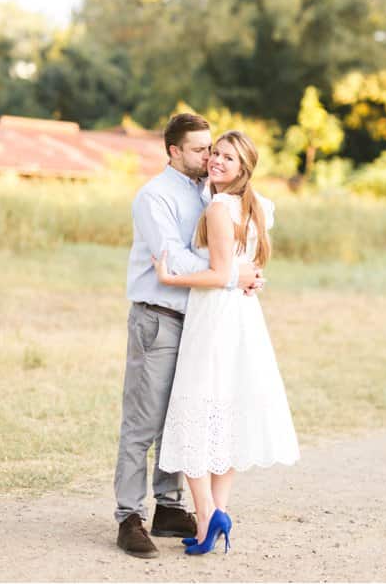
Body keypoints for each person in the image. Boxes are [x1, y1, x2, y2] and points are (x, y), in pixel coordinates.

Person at [113, 113, 263, 559]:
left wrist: (244, 272)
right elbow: (173, 259)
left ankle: (168, 506)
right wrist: (232, 274)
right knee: (143, 423)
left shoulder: (210, 191)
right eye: (200, 149)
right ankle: (128, 517)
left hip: (202, 322)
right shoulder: (154, 196)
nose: (209, 156)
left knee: (185, 414)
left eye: (212, 149)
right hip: (159, 318)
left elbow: (228, 245)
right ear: (173, 151)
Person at [153, 130, 299, 555]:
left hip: (215, 315)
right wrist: (248, 277)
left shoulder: (219, 207)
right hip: (242, 316)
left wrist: (170, 277)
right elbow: (244, 267)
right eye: (214, 153)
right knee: (226, 409)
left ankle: (206, 519)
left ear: (243, 168)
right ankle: (216, 515)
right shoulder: (255, 207)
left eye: (227, 158)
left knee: (197, 409)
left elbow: (220, 274)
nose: (216, 161)